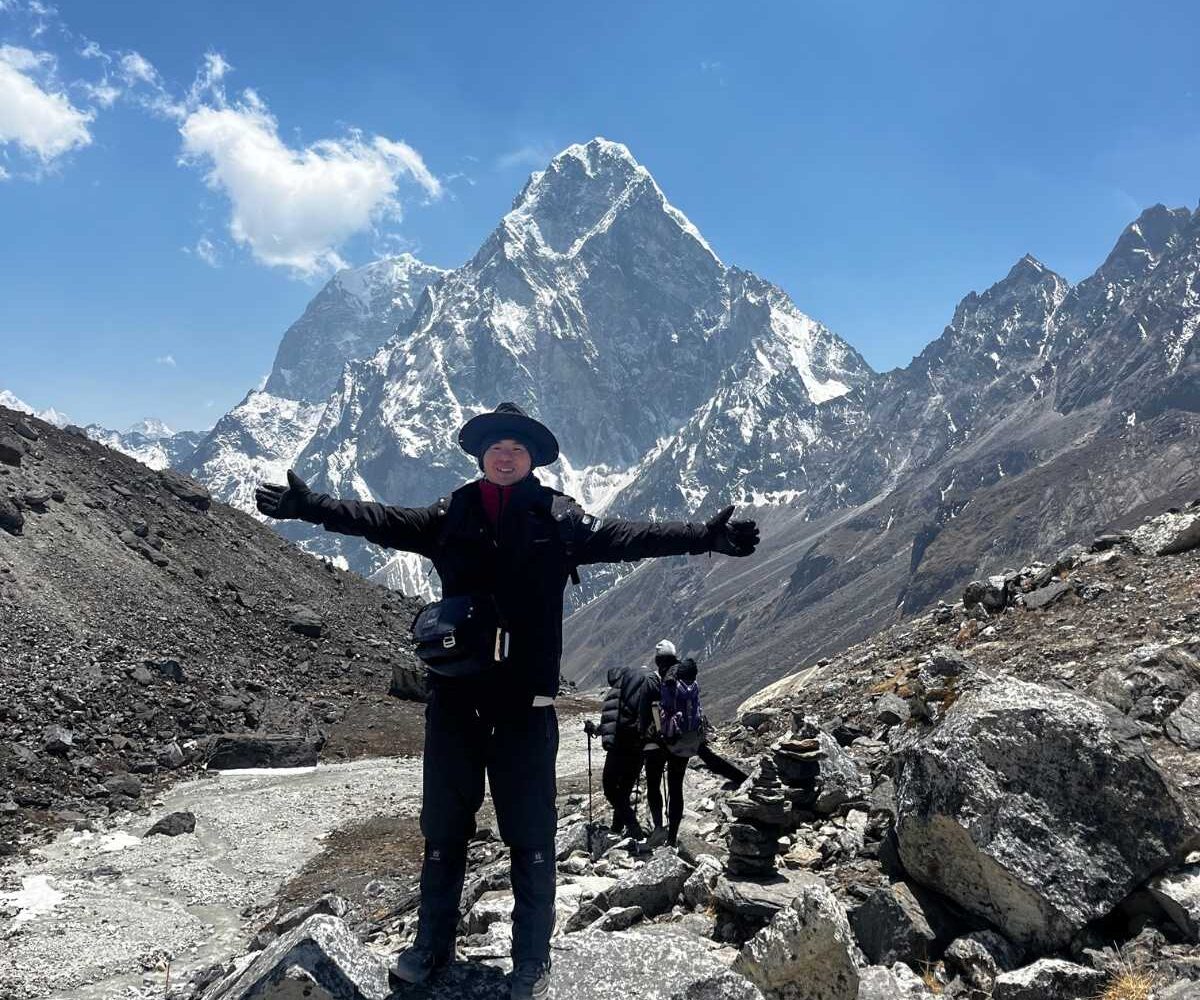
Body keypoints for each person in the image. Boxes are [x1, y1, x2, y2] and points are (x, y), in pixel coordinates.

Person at [254, 402, 759, 1000]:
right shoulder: (452, 512)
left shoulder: (560, 519)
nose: (505, 453)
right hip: (454, 701)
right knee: (443, 829)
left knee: (531, 835)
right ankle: (430, 944)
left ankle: (531, 959)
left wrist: (706, 537)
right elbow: (379, 519)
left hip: (526, 706)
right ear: (480, 453)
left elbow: (631, 536)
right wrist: (310, 507)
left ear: (533, 459)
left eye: (517, 447)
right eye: (496, 444)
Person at [596, 662, 657, 839]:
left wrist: (601, 735)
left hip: (621, 745)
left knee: (610, 787)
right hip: (641, 743)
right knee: (624, 789)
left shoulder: (619, 686)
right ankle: (617, 828)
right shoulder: (642, 683)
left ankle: (632, 825)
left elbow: (612, 718)